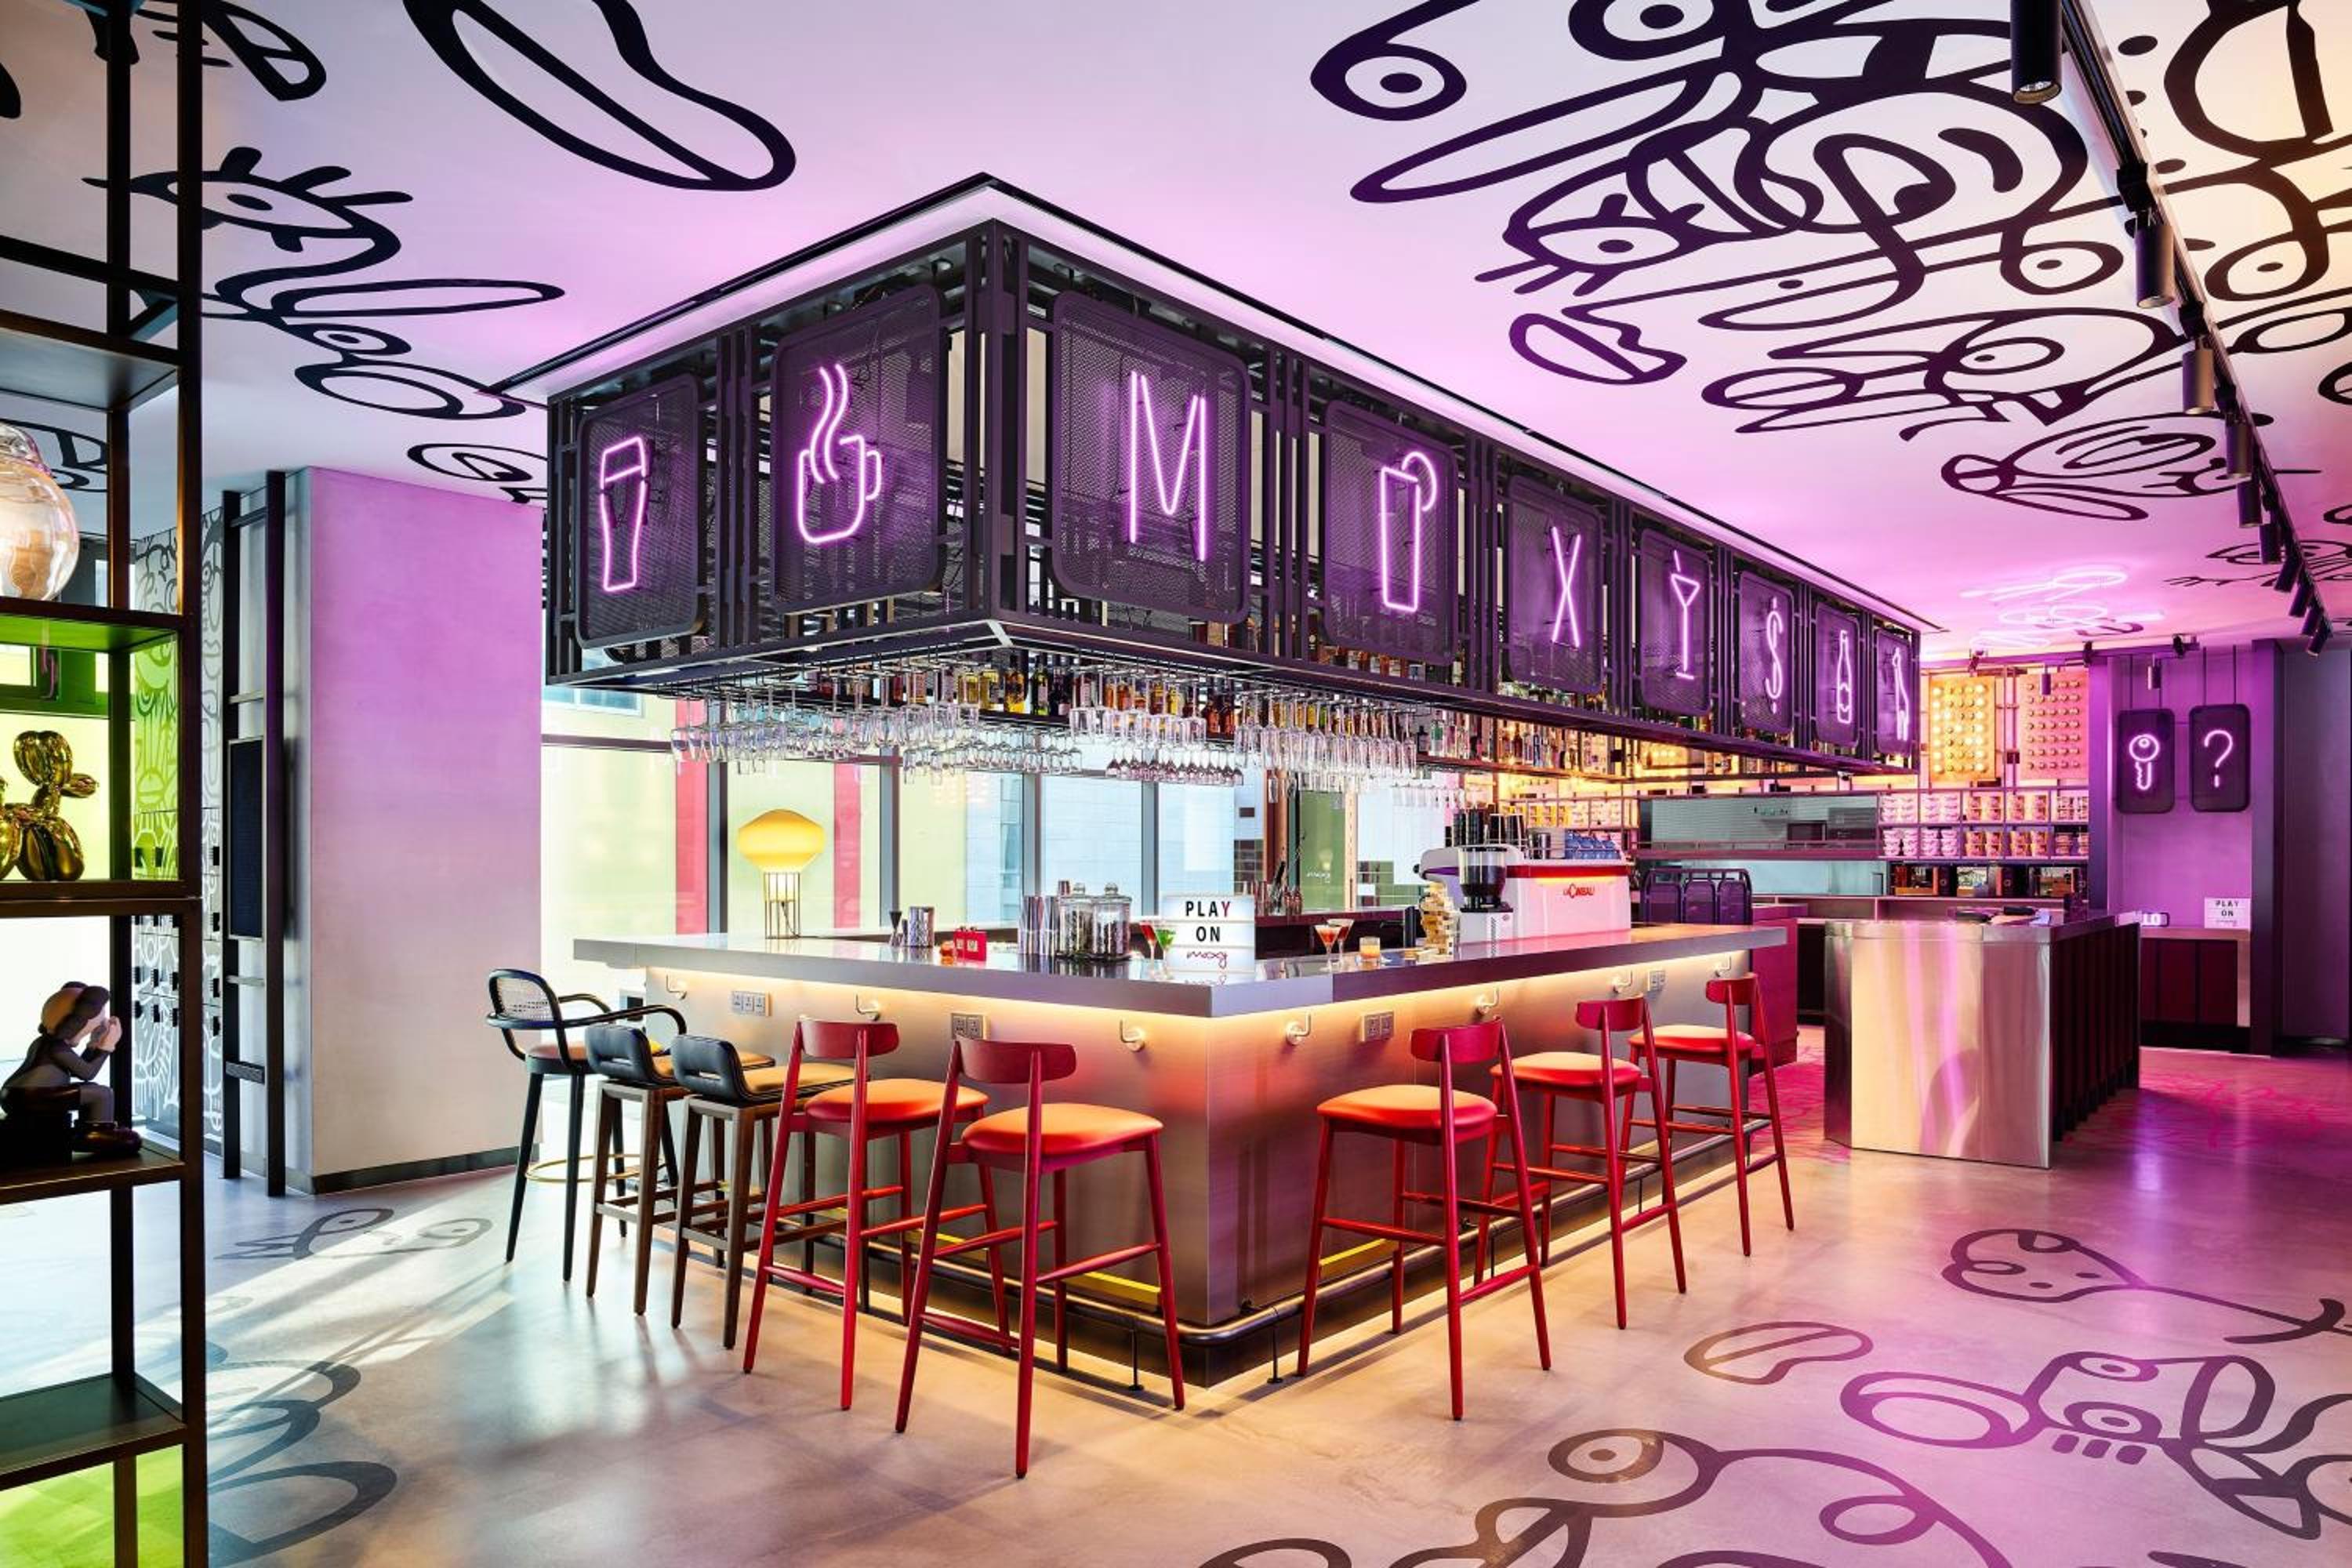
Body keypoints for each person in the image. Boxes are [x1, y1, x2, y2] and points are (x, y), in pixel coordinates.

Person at [0, 982, 142, 1160]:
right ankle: (95, 1135)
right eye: (90, 1028)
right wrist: (107, 1046)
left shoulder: (46, 1042)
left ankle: (90, 1129)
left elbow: (77, 1069)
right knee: (102, 1094)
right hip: (32, 1098)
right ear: (75, 1023)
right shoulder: (56, 1047)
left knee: (92, 1089)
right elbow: (87, 1073)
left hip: (15, 1095)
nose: (92, 1030)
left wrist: (94, 1044)